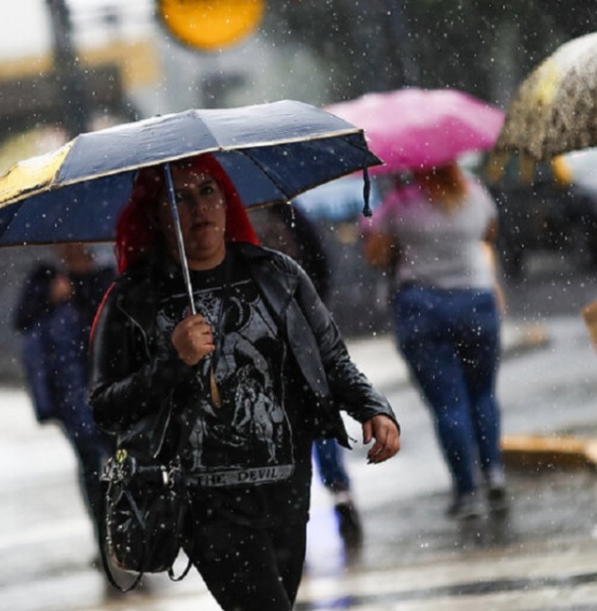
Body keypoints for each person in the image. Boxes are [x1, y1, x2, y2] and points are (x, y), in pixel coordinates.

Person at [88, 153, 400, 610]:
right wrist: (173, 362)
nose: (198, 207)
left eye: (207, 191)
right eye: (179, 198)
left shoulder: (277, 274)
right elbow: (105, 407)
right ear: (157, 215)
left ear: (226, 199)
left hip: (286, 489)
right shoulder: (132, 300)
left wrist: (372, 406)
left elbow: (331, 358)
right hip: (204, 505)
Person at [362, 161, 507, 520]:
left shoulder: (400, 204)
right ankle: (493, 473)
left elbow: (376, 256)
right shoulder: (475, 194)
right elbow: (489, 232)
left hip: (423, 308)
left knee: (448, 404)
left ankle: (467, 493)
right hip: (476, 300)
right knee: (483, 395)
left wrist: (383, 230)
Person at [252, 203, 363, 549]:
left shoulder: (228, 222)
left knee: (274, 423)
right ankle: (338, 492)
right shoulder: (285, 210)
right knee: (317, 414)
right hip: (296, 331)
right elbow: (318, 264)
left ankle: (289, 507)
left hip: (260, 337)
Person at [12, 243, 116, 560]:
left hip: (111, 387)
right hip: (70, 393)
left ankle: (130, 529)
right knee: (90, 465)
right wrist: (50, 296)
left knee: (121, 461)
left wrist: (84, 293)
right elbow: (21, 319)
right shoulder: (44, 278)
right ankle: (103, 537)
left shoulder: (106, 275)